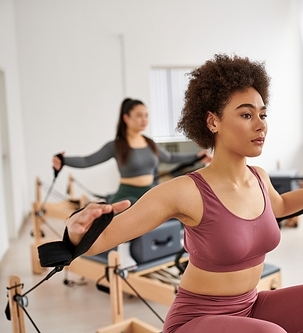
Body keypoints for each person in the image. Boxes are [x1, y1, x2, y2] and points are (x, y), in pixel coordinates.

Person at [65, 54, 303, 333]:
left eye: (263, 114)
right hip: (196, 321)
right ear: (213, 121)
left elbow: (282, 205)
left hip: (250, 307)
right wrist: (75, 232)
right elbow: (110, 235)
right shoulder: (186, 191)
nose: (260, 125)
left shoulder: (258, 178)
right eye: (246, 114)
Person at [53, 97, 211, 266]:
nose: (144, 120)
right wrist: (63, 160)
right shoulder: (116, 146)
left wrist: (196, 157)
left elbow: (171, 157)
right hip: (127, 193)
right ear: (126, 118)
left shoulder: (150, 143)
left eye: (146, 115)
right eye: (139, 115)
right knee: (130, 209)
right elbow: (86, 161)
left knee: (178, 209)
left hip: (150, 191)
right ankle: (124, 251)